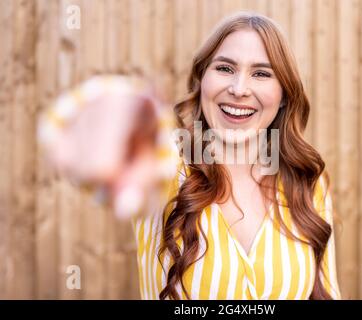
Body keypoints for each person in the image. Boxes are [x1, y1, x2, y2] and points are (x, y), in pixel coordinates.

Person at [38, 12, 341, 300]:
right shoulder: (168, 163)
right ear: (201, 80)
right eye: (225, 68)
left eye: (261, 74)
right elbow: (91, 154)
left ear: (284, 94)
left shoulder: (308, 181)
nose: (239, 89)